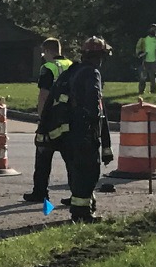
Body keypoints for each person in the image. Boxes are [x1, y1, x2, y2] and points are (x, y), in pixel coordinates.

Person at [42, 36, 114, 223]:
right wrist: (94, 133)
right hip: (83, 131)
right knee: (88, 172)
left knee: (78, 172)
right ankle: (82, 214)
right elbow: (94, 105)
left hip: (67, 133)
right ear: (100, 56)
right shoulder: (92, 74)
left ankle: (83, 208)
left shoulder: (72, 71)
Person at [22, 36, 68, 203]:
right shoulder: (71, 65)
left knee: (43, 155)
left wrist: (41, 117)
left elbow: (44, 95)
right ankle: (77, 192)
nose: (43, 56)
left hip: (51, 118)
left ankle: (40, 192)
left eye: (44, 52)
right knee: (71, 159)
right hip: (69, 119)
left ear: (48, 51)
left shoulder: (48, 68)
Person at [135, 24, 156, 98]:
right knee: (142, 77)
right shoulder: (144, 39)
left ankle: (153, 91)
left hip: (153, 61)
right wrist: (140, 54)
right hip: (144, 61)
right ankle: (141, 91)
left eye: (155, 29)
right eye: (152, 29)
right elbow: (138, 48)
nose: (153, 31)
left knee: (153, 77)